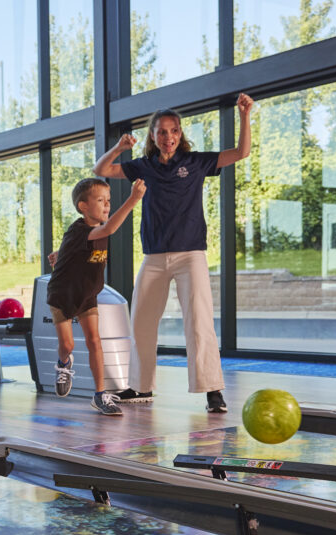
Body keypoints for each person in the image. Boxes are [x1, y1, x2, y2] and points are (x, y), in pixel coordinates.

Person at [93, 93, 253, 413]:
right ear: (153, 136)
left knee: (198, 321)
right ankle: (140, 387)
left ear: (181, 134)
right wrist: (120, 148)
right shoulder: (142, 167)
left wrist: (245, 115)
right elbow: (101, 168)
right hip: (154, 256)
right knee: (140, 322)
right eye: (162, 132)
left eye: (174, 131)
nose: (168, 137)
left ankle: (212, 391)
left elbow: (241, 152)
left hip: (190, 255)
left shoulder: (195, 163)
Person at [47, 177, 147, 415]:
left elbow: (77, 246)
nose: (107, 205)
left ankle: (100, 395)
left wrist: (61, 253)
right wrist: (133, 199)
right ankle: (63, 363)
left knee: (95, 341)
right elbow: (109, 228)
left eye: (108, 200)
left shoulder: (90, 232)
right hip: (62, 295)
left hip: (88, 296)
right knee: (67, 344)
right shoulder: (79, 228)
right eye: (100, 200)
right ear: (83, 206)